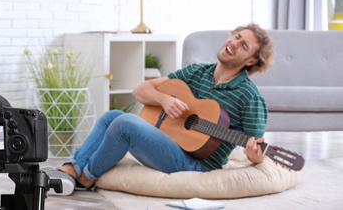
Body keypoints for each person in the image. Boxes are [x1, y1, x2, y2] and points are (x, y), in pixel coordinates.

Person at [46, 23, 275, 195]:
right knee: (112, 116)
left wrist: (256, 155)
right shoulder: (197, 71)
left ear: (251, 61)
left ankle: (86, 178)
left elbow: (257, 147)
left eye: (243, 45)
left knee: (124, 124)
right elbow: (141, 90)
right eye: (236, 36)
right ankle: (72, 169)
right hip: (167, 143)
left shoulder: (250, 96)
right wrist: (164, 99)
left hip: (195, 164)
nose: (234, 43)